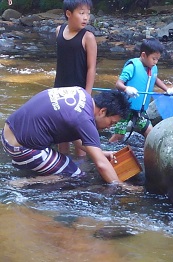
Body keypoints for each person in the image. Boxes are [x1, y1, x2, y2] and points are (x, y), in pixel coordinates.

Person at [1, 86, 130, 184]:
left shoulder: (80, 93)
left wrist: (100, 153)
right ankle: (21, 184)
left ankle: (31, 168)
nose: (110, 127)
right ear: (103, 111)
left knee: (67, 163)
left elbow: (78, 137)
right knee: (75, 175)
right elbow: (101, 165)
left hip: (8, 132)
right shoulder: (85, 120)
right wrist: (120, 186)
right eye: (111, 122)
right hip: (22, 148)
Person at [109, 38, 173, 143]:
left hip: (140, 110)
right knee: (119, 135)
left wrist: (168, 89)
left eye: (157, 59)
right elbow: (118, 84)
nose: (155, 62)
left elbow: (154, 79)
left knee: (150, 133)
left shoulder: (152, 68)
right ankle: (105, 152)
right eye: (153, 59)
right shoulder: (132, 67)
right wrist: (126, 88)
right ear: (143, 55)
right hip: (125, 108)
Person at [54, 0, 97, 156]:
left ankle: (82, 168)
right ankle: (62, 163)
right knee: (61, 133)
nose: (86, 17)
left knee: (79, 135)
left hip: (78, 93)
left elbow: (91, 68)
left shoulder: (88, 37)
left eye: (88, 13)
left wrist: (87, 95)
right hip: (59, 91)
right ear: (68, 13)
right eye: (81, 13)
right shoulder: (59, 31)